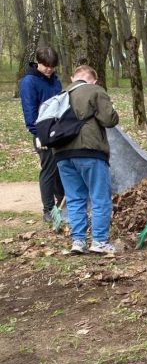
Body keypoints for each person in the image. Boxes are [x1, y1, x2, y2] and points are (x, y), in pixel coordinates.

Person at [54, 66, 120, 254]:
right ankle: (99, 241)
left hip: (62, 154)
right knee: (100, 197)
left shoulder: (60, 95)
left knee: (75, 199)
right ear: (94, 80)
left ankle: (78, 241)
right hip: (89, 150)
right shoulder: (95, 91)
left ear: (73, 78)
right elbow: (110, 120)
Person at [19, 47, 64, 222]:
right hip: (42, 133)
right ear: (38, 62)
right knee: (49, 170)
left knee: (61, 168)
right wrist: (38, 135)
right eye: (46, 66)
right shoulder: (29, 82)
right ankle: (48, 209)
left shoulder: (55, 80)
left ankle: (62, 202)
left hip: (59, 130)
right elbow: (29, 112)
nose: (49, 70)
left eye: (52, 66)